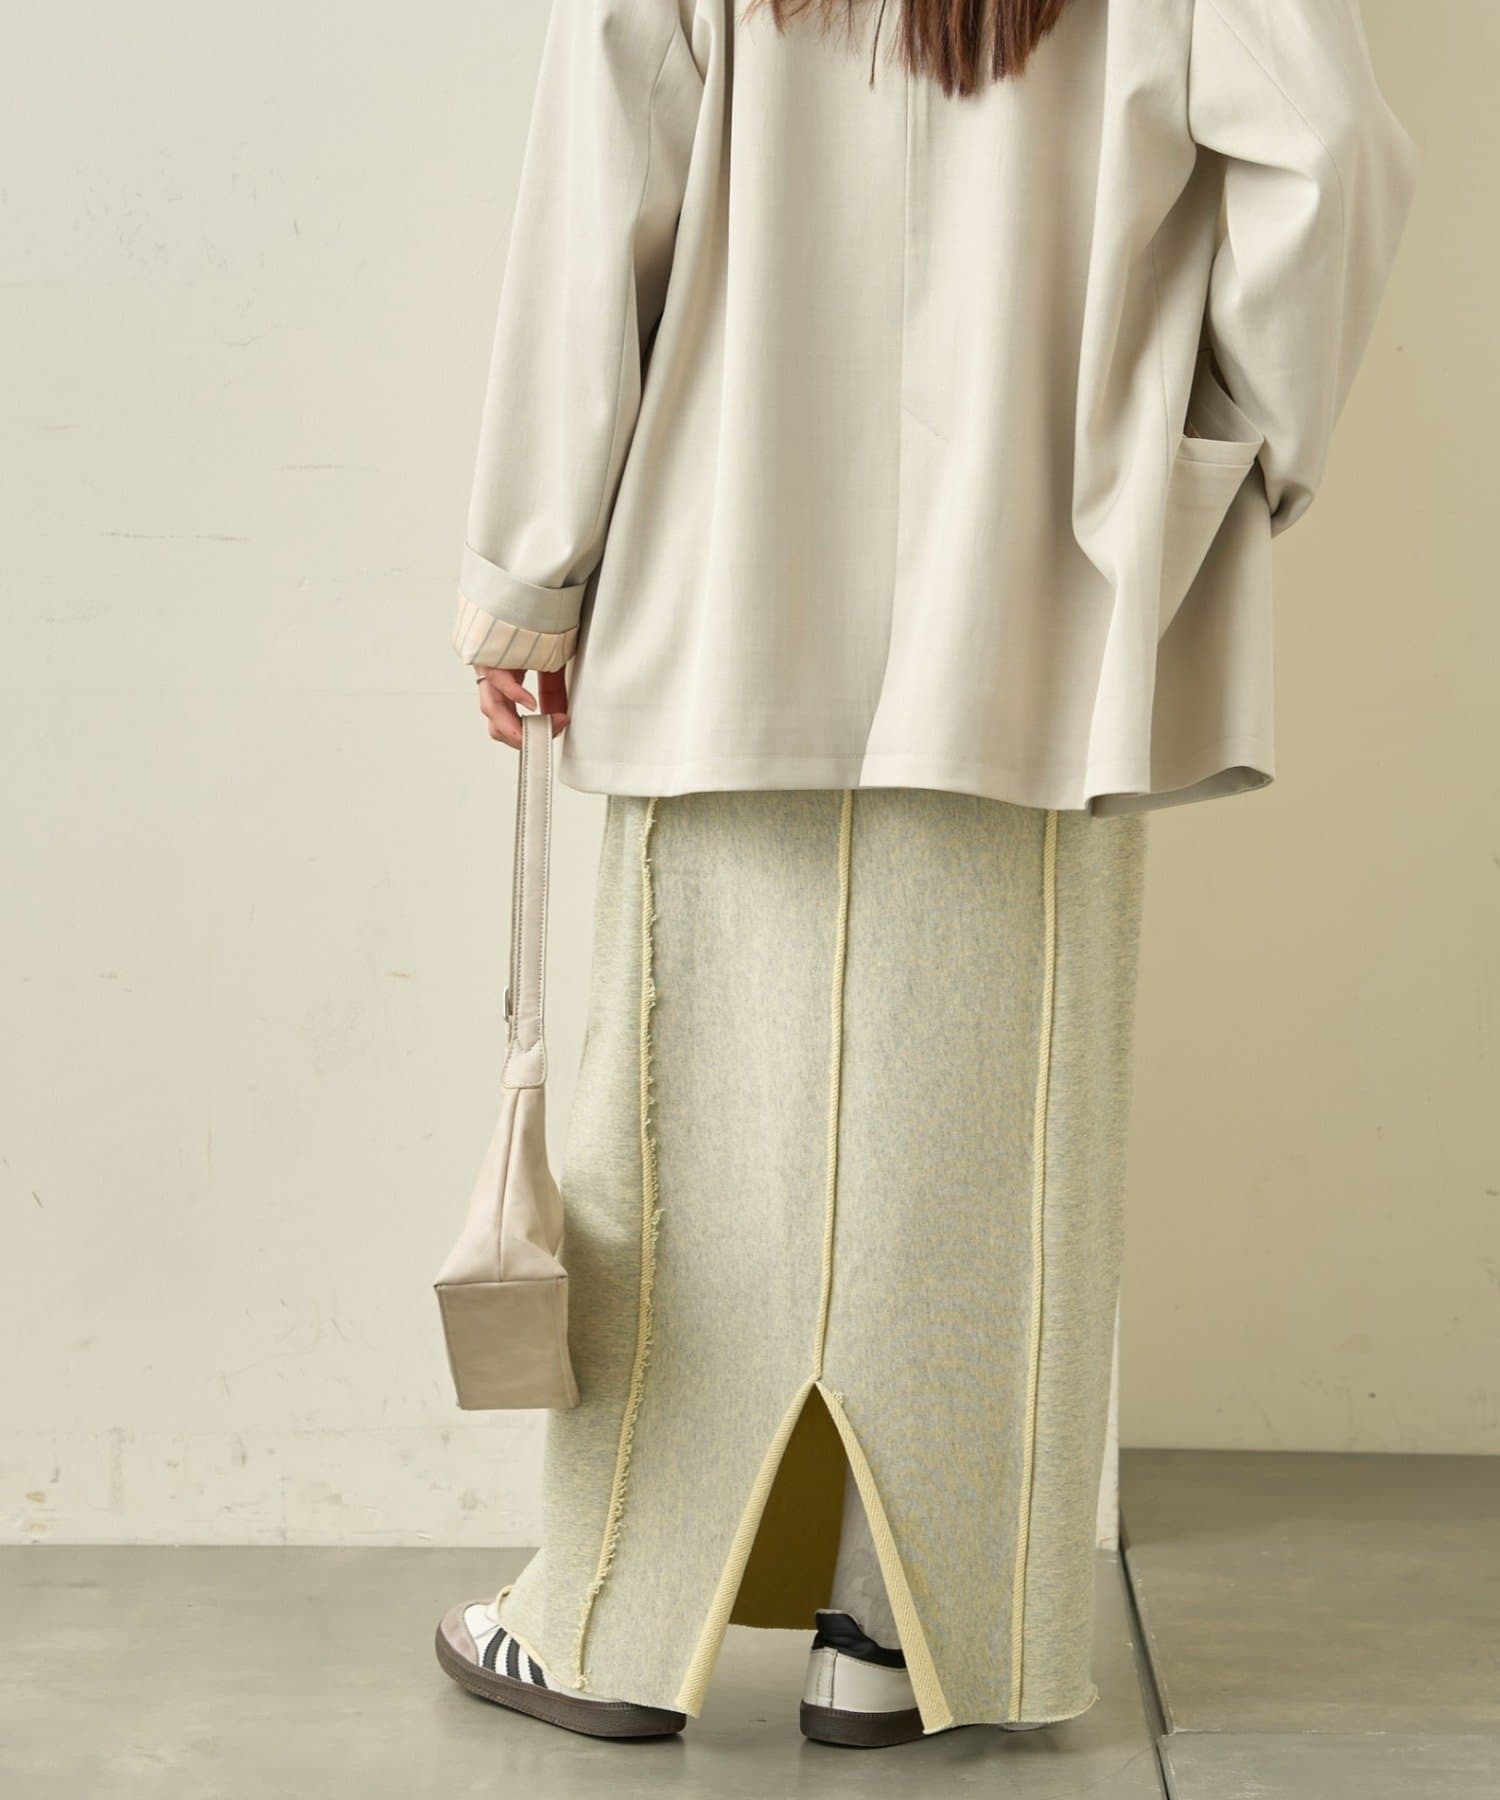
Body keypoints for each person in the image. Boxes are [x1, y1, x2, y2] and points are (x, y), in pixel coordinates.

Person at [435, 0, 1415, 1749]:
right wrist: (1214, 451)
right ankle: (906, 1637)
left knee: (685, 1136)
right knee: (992, 1140)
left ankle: (604, 1624)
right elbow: (1327, 151)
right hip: (1045, 597)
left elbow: (605, 188)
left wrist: (533, 569)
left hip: (723, 584)